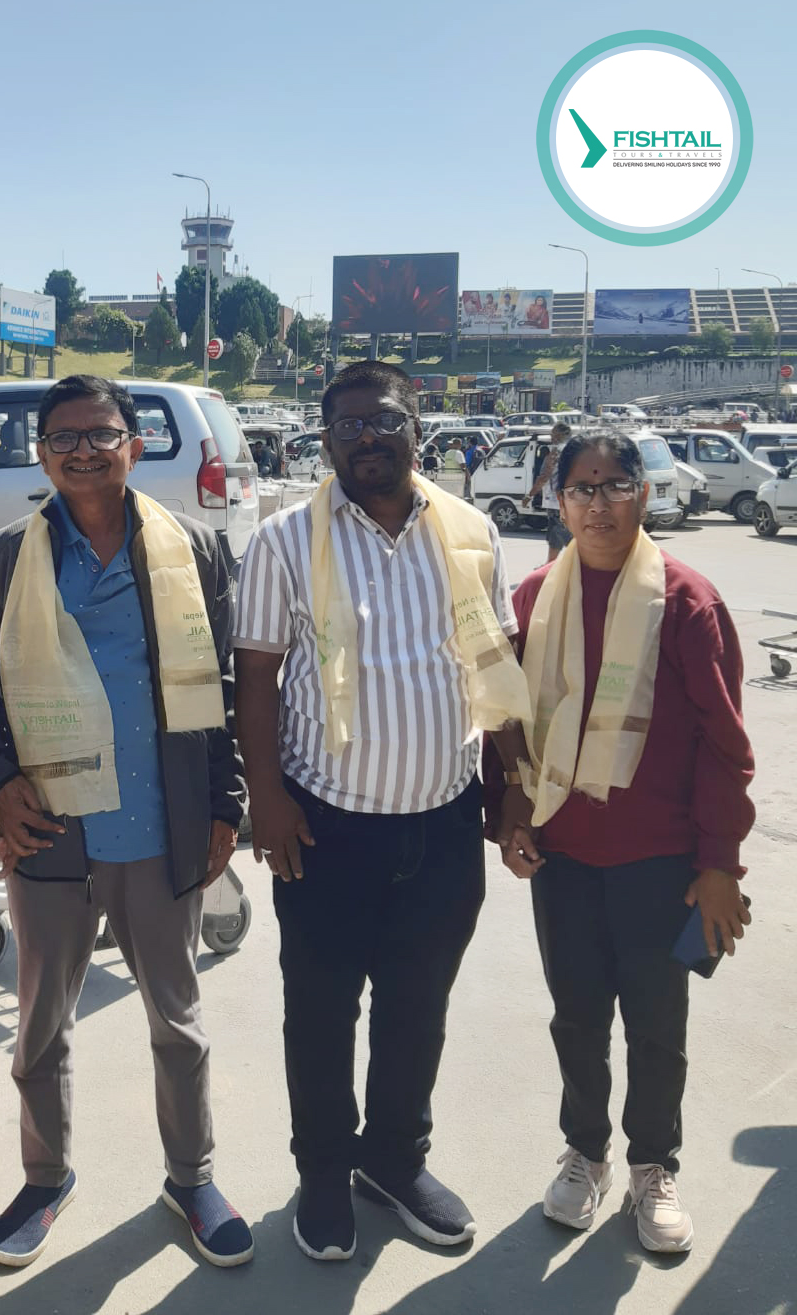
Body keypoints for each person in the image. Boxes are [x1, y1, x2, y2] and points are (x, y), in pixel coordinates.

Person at [0, 374, 254, 1270]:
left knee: (178, 1020)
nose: (84, 450)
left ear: (134, 444)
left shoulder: (191, 547)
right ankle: (45, 1178)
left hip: (161, 826)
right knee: (42, 1023)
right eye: (64, 438)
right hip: (51, 831)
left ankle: (191, 1177)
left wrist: (226, 803)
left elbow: (222, 686)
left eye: (102, 434)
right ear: (41, 454)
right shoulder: (7, 558)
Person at [234, 360, 530, 1261]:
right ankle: (325, 1173)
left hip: (443, 824)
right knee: (321, 1012)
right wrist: (266, 797)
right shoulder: (284, 540)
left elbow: (497, 666)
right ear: (326, 442)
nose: (368, 438)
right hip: (326, 827)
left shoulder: (472, 532)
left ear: (417, 427)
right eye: (349, 426)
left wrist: (515, 787)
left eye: (385, 420)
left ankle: (395, 1161)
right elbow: (255, 677)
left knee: (417, 1005)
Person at [488, 431, 754, 1255]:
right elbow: (509, 723)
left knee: (656, 1024)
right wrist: (513, 815)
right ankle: (586, 1152)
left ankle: (653, 1164)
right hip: (565, 857)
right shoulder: (535, 597)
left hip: (660, 863)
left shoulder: (686, 601)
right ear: (557, 500)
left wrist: (720, 864)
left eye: (614, 485)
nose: (597, 503)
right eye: (581, 487)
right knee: (576, 1018)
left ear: (645, 493)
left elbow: (725, 746)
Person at [524, 422, 573, 562]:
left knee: (555, 538)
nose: (552, 438)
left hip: (556, 502)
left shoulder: (556, 452)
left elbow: (544, 476)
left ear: (560, 435)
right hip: (572, 501)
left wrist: (529, 496)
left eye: (553, 434)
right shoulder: (576, 451)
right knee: (569, 536)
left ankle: (550, 567)